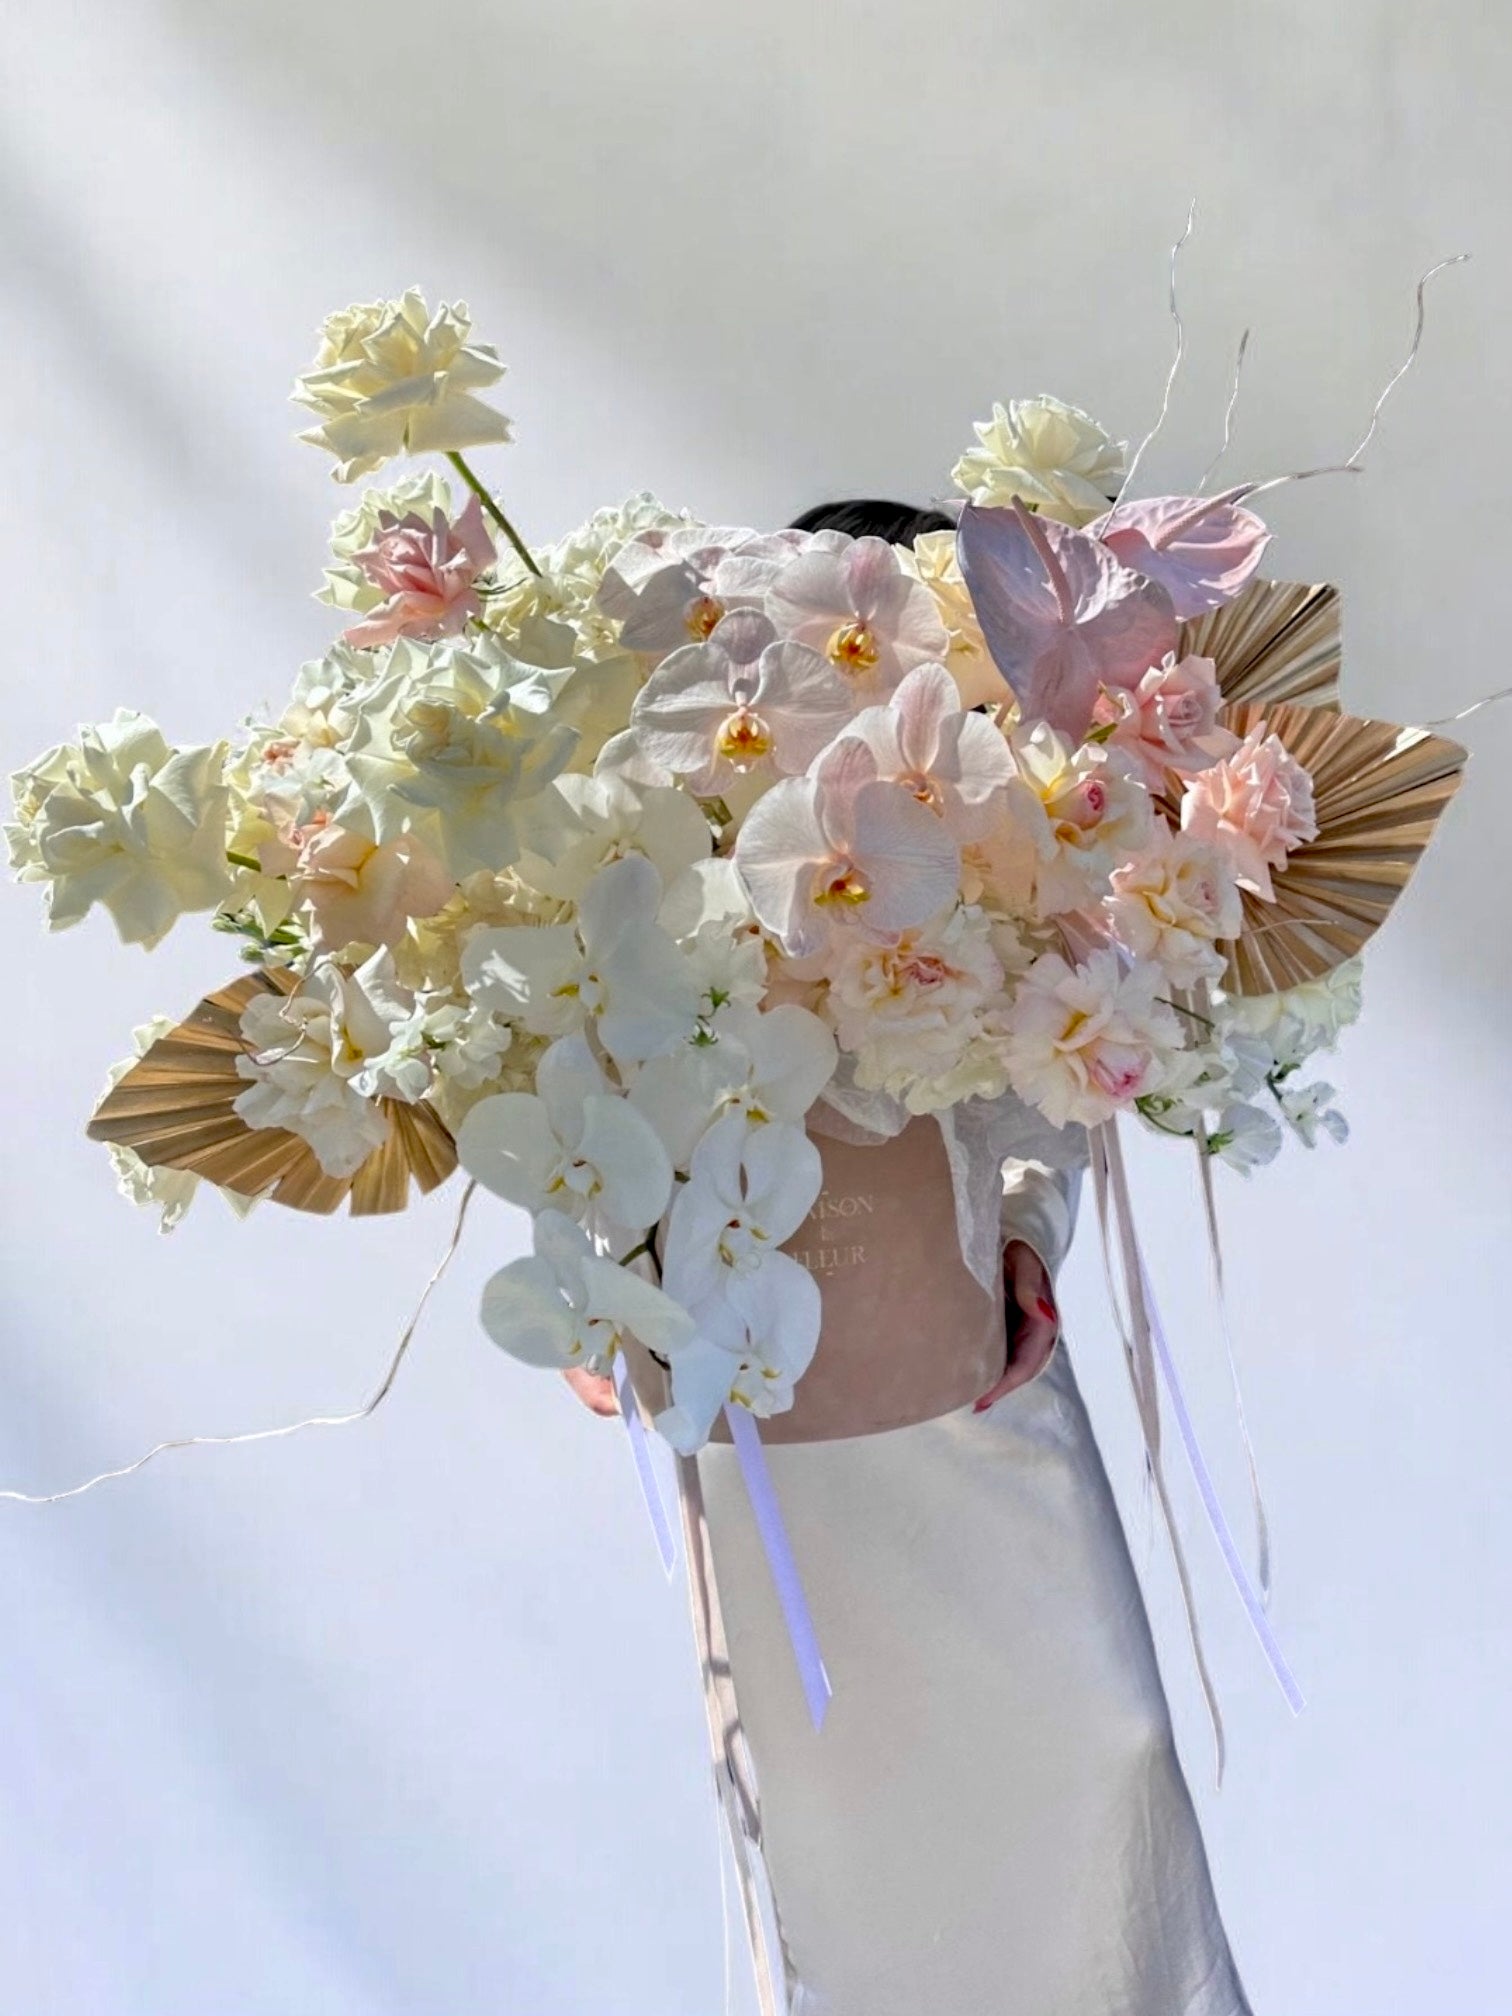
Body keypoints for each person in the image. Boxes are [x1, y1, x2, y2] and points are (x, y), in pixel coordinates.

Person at [567, 501, 1253, 2016]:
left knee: (1109, 1767)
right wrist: (596, 1287)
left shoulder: (1002, 844)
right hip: (784, 1447)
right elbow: (590, 1082)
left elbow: (1054, 1107)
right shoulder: (678, 866)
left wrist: (1023, 1240)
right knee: (844, 1861)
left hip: (978, 1392)